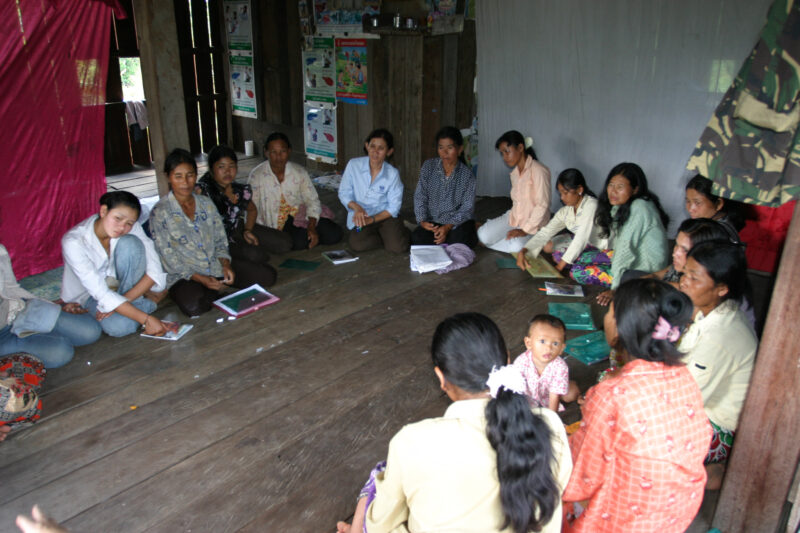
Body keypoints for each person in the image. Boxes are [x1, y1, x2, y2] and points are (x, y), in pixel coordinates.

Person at [336, 312, 572, 533]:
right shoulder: (549, 424)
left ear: (441, 377)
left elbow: (381, 524)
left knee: (380, 476)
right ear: (508, 361)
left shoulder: (412, 441)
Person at [563, 279, 711, 532]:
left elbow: (582, 476)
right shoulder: (683, 375)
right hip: (679, 510)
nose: (606, 317)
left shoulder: (612, 393)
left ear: (621, 327)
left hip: (628, 520)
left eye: (610, 312)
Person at [677, 240, 756, 489]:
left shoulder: (721, 335)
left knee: (645, 439)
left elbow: (685, 402)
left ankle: (710, 475)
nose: (683, 281)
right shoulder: (709, 313)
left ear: (721, 288)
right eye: (685, 272)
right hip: (699, 406)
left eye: (694, 277)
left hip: (718, 428)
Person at [150, 149, 255, 317]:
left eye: (190, 175)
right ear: (168, 176)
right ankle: (214, 290)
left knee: (266, 277)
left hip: (215, 266)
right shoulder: (160, 212)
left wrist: (225, 265)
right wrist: (202, 279)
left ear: (196, 174)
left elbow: (221, 240)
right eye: (178, 176)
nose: (185, 182)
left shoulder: (205, 203)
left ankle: (216, 288)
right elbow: (169, 259)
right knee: (194, 307)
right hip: (185, 275)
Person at [61, 191, 170, 338]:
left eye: (129, 223)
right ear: (103, 211)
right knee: (120, 327)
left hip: (122, 287)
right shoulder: (74, 242)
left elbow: (155, 270)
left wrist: (120, 302)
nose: (122, 227)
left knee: (131, 243)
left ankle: (131, 305)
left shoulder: (132, 227)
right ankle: (150, 302)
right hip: (89, 296)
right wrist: (146, 319)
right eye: (117, 218)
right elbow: (102, 294)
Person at [1, 245, 100, 367]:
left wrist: (53, 306)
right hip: (2, 338)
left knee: (90, 331)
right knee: (60, 352)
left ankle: (34, 334)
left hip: (18, 311)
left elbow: (11, 288)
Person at [195, 145, 278, 287]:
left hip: (229, 241)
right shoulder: (202, 192)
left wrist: (247, 230)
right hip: (208, 250)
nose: (227, 171)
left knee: (258, 255)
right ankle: (221, 273)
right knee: (267, 276)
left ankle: (232, 270)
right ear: (211, 168)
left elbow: (252, 210)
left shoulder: (238, 190)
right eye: (221, 167)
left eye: (232, 166)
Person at [248, 132, 343, 252]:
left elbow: (312, 201)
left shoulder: (298, 172)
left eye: (282, 151)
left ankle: (310, 235)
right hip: (273, 223)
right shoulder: (257, 175)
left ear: (289, 151)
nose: (278, 157)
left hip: (299, 216)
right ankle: (307, 238)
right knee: (295, 242)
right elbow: (252, 207)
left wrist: (312, 227)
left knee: (334, 234)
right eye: (273, 152)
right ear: (266, 152)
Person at [592, 163, 670, 305]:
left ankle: (623, 287)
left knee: (578, 271)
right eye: (611, 185)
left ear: (635, 189)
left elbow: (625, 250)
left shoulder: (639, 207)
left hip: (644, 274)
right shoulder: (626, 207)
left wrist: (615, 289)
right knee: (586, 258)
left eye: (620, 187)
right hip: (633, 265)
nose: (613, 191)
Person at [517, 168, 607, 275]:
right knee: (548, 246)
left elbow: (581, 238)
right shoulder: (566, 211)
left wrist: (559, 268)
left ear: (579, 189)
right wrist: (524, 251)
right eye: (560, 193)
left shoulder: (591, 205)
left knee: (567, 264)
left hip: (599, 247)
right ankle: (575, 260)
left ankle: (598, 262)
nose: (562, 197)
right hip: (583, 241)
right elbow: (545, 232)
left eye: (565, 193)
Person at [478, 131, 550, 253]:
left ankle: (532, 242)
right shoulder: (515, 173)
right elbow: (517, 204)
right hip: (514, 218)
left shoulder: (539, 170)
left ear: (520, 148)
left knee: (516, 246)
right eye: (502, 154)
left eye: (507, 151)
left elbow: (542, 205)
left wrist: (524, 231)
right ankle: (517, 244)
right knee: (483, 235)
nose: (505, 157)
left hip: (535, 225)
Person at [338, 129, 409, 253]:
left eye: (381, 148)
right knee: (357, 244)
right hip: (361, 219)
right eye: (372, 146)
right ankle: (387, 237)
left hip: (385, 217)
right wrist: (357, 208)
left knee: (397, 248)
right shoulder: (354, 165)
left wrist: (372, 220)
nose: (375, 152)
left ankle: (399, 231)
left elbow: (393, 207)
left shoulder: (392, 174)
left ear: (389, 151)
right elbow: (343, 192)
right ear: (367, 146)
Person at [412, 127, 478, 247]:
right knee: (417, 238)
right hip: (433, 222)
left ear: (459, 150)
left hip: (455, 224)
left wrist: (447, 227)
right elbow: (420, 196)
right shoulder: (428, 167)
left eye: (450, 148)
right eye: (441, 147)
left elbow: (467, 209)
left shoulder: (467, 176)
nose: (444, 152)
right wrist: (423, 221)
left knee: (460, 239)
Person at [641, 218, 733, 285]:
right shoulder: (678, 267)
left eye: (685, 250)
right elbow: (656, 276)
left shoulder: (703, 286)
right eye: (676, 245)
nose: (675, 253)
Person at [511, 314, 576, 412]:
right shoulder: (521, 362)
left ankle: (568, 384)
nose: (548, 348)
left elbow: (554, 395)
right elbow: (517, 391)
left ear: (561, 349)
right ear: (528, 343)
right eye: (542, 341)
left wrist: (552, 418)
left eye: (555, 343)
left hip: (548, 395)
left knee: (572, 394)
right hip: (528, 396)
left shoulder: (560, 367)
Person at [684, 174, 742, 240]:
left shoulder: (717, 237)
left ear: (718, 204)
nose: (690, 209)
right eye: (688, 201)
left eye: (698, 203)